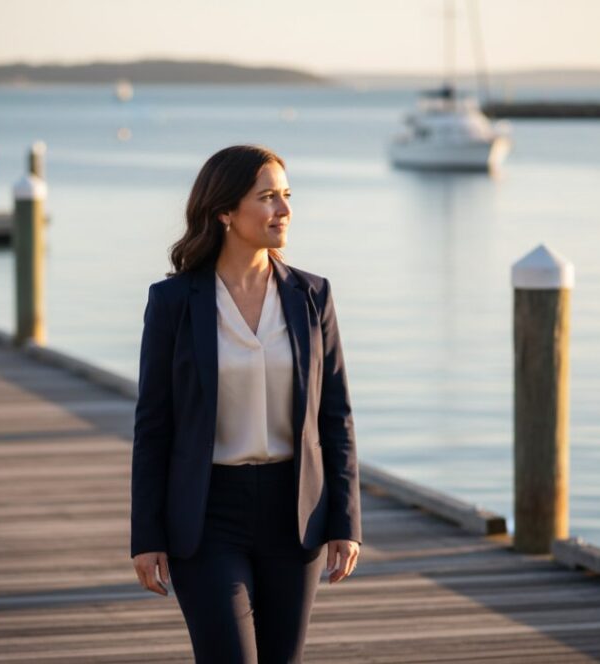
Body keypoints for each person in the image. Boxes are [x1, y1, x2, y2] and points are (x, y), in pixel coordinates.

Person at [130, 145, 361, 663]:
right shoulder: (173, 304)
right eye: (268, 197)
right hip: (208, 516)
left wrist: (346, 524)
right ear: (225, 213)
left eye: (286, 196)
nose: (284, 209)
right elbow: (154, 426)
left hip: (294, 514)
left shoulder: (312, 297)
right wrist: (146, 535)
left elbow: (336, 419)